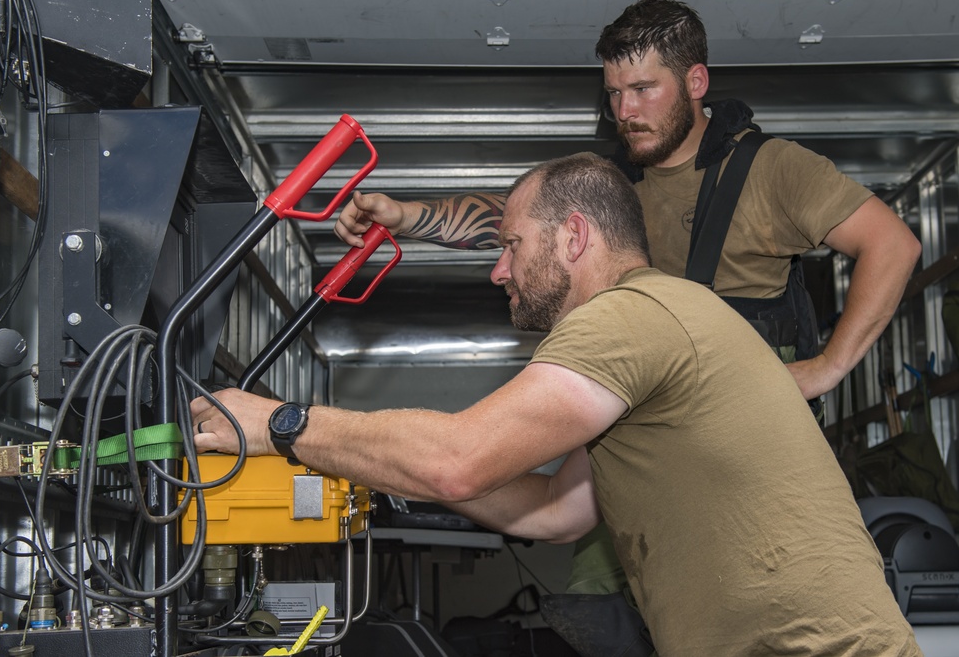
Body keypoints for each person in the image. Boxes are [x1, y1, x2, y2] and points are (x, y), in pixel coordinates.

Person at [331, 0, 923, 648]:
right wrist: (407, 214)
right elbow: (526, 225)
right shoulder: (619, 190)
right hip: (637, 423)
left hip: (730, 455)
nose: (625, 110)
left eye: (643, 89)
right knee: (599, 604)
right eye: (614, 93)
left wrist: (824, 369)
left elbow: (892, 245)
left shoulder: (773, 170)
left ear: (696, 83)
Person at [191, 152, 922, 656]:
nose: (497, 268)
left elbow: (460, 460)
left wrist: (280, 423)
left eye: (511, 243)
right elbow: (552, 512)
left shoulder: (626, 318)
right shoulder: (661, 325)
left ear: (574, 237)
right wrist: (375, 462)